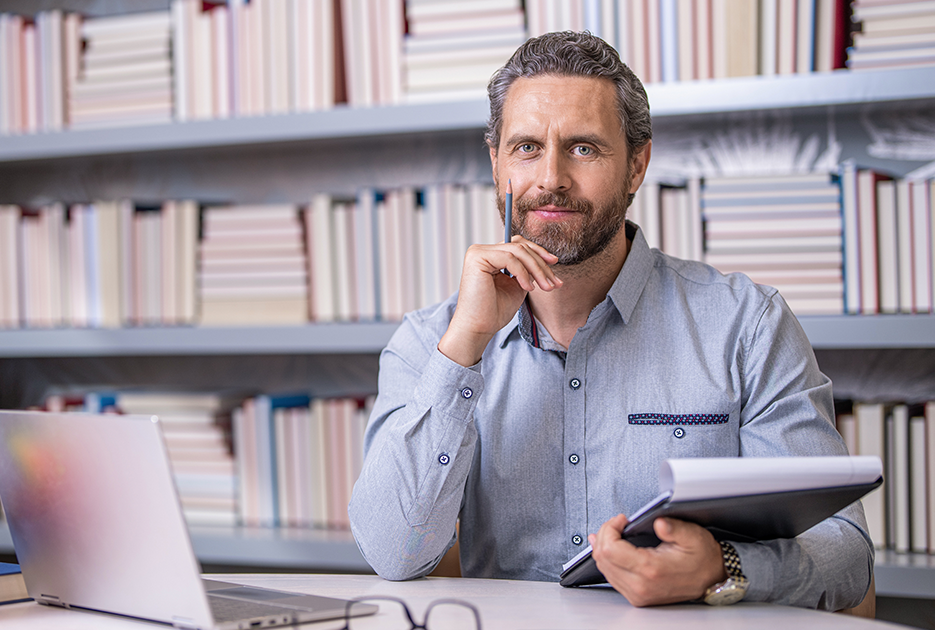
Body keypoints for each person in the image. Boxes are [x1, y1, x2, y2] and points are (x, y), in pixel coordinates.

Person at [347, 31, 873, 610]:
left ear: (636, 165)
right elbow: (394, 554)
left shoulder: (747, 326)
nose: (550, 178)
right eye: (526, 148)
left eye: (583, 148)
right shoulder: (431, 342)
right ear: (496, 164)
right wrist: (464, 347)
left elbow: (844, 553)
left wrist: (721, 568)